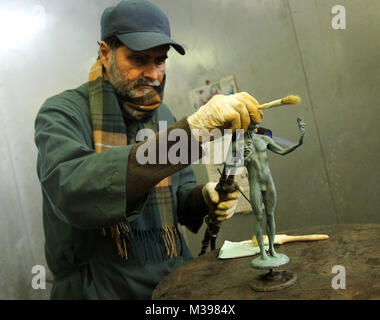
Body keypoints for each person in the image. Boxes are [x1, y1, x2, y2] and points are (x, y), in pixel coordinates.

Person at [34, 0, 263, 299]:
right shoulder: (63, 113)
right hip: (102, 287)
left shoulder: (161, 113)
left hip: (172, 281)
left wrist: (205, 196)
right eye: (139, 59)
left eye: (160, 60)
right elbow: (74, 188)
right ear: (105, 53)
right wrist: (189, 133)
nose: (154, 74)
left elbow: (180, 196)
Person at [243, 118, 305, 261]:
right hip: (255, 183)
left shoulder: (264, 139)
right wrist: (243, 158)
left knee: (270, 215)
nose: (256, 122)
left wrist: (300, 140)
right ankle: (262, 252)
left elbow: (282, 151)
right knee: (258, 217)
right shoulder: (238, 144)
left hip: (268, 181)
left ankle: (271, 248)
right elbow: (230, 166)